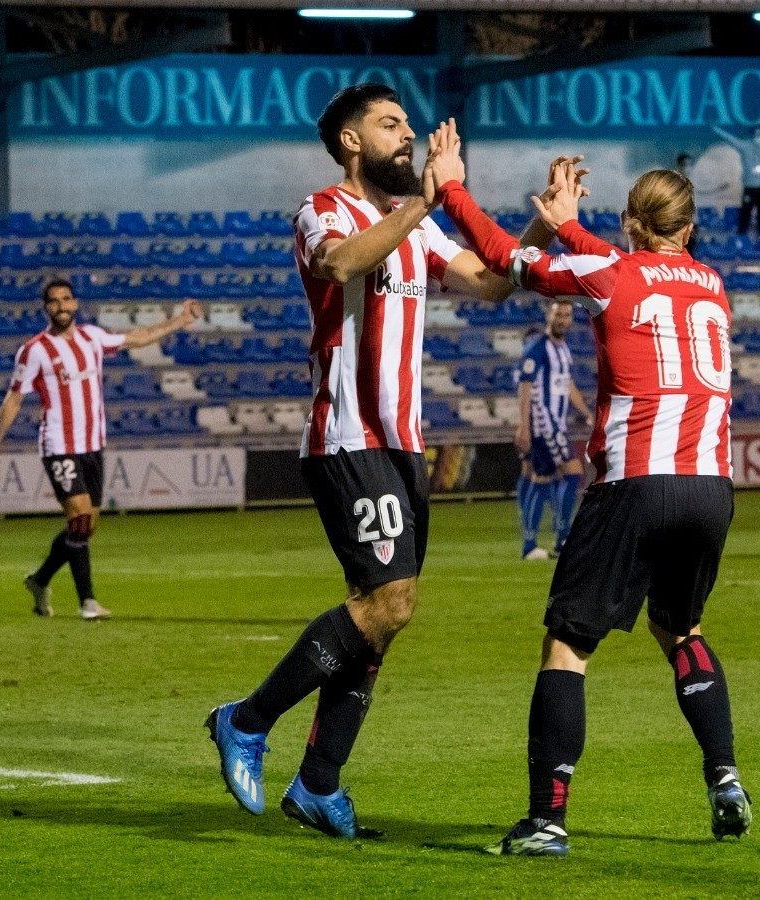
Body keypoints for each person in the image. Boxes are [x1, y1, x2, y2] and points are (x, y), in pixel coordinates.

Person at [205, 85, 555, 840]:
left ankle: (319, 785)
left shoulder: (415, 230)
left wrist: (540, 228)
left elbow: (491, 284)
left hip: (401, 443)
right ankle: (246, 719)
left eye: (411, 126)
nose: (409, 137)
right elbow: (336, 268)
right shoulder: (324, 208)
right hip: (348, 435)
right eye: (391, 126)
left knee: (384, 619)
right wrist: (424, 204)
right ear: (351, 141)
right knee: (388, 602)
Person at [437, 158, 752, 855]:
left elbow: (500, 257)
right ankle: (724, 776)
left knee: (568, 645)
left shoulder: (612, 274)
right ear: (690, 227)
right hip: (709, 485)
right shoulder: (712, 284)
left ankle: (547, 820)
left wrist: (451, 188)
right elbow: (632, 267)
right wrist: (571, 225)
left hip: (635, 484)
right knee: (681, 630)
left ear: (630, 222)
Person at [0, 279, 202, 620]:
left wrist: (178, 321)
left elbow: (136, 337)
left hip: (93, 444)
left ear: (76, 303)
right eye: (53, 301)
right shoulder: (35, 350)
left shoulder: (92, 338)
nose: (61, 306)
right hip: (58, 445)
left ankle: (40, 580)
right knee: (79, 518)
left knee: (85, 526)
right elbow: (14, 398)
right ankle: (88, 602)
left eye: (66, 299)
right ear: (46, 308)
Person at [514, 298, 591, 560]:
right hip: (544, 424)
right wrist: (524, 426)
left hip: (555, 424)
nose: (563, 320)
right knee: (572, 473)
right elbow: (525, 386)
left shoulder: (563, 349)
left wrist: (586, 414)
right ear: (549, 314)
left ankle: (534, 545)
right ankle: (561, 537)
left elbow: (567, 386)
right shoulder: (538, 348)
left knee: (542, 479)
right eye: (559, 314)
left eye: (567, 315)